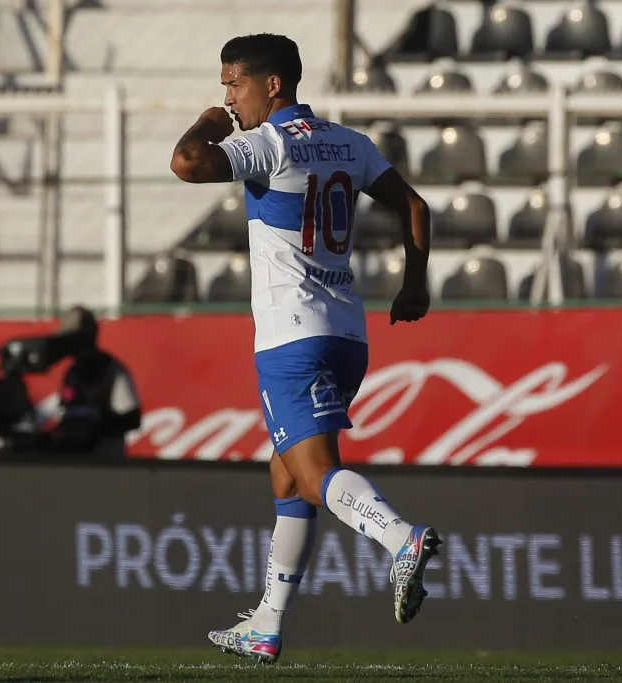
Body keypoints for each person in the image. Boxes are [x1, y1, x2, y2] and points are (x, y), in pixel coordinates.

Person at [170, 34, 438, 663]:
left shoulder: (263, 145)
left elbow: (186, 160)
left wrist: (211, 124)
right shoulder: (349, 142)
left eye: (233, 83)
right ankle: (266, 622)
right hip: (347, 333)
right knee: (286, 471)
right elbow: (414, 204)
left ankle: (401, 539)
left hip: (291, 338)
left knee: (315, 475)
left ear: (272, 86)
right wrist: (414, 285)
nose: (227, 96)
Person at [46, 306, 142, 458]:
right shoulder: (72, 371)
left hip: (104, 464)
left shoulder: (110, 369)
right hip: (74, 463)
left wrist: (94, 427)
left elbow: (132, 419)